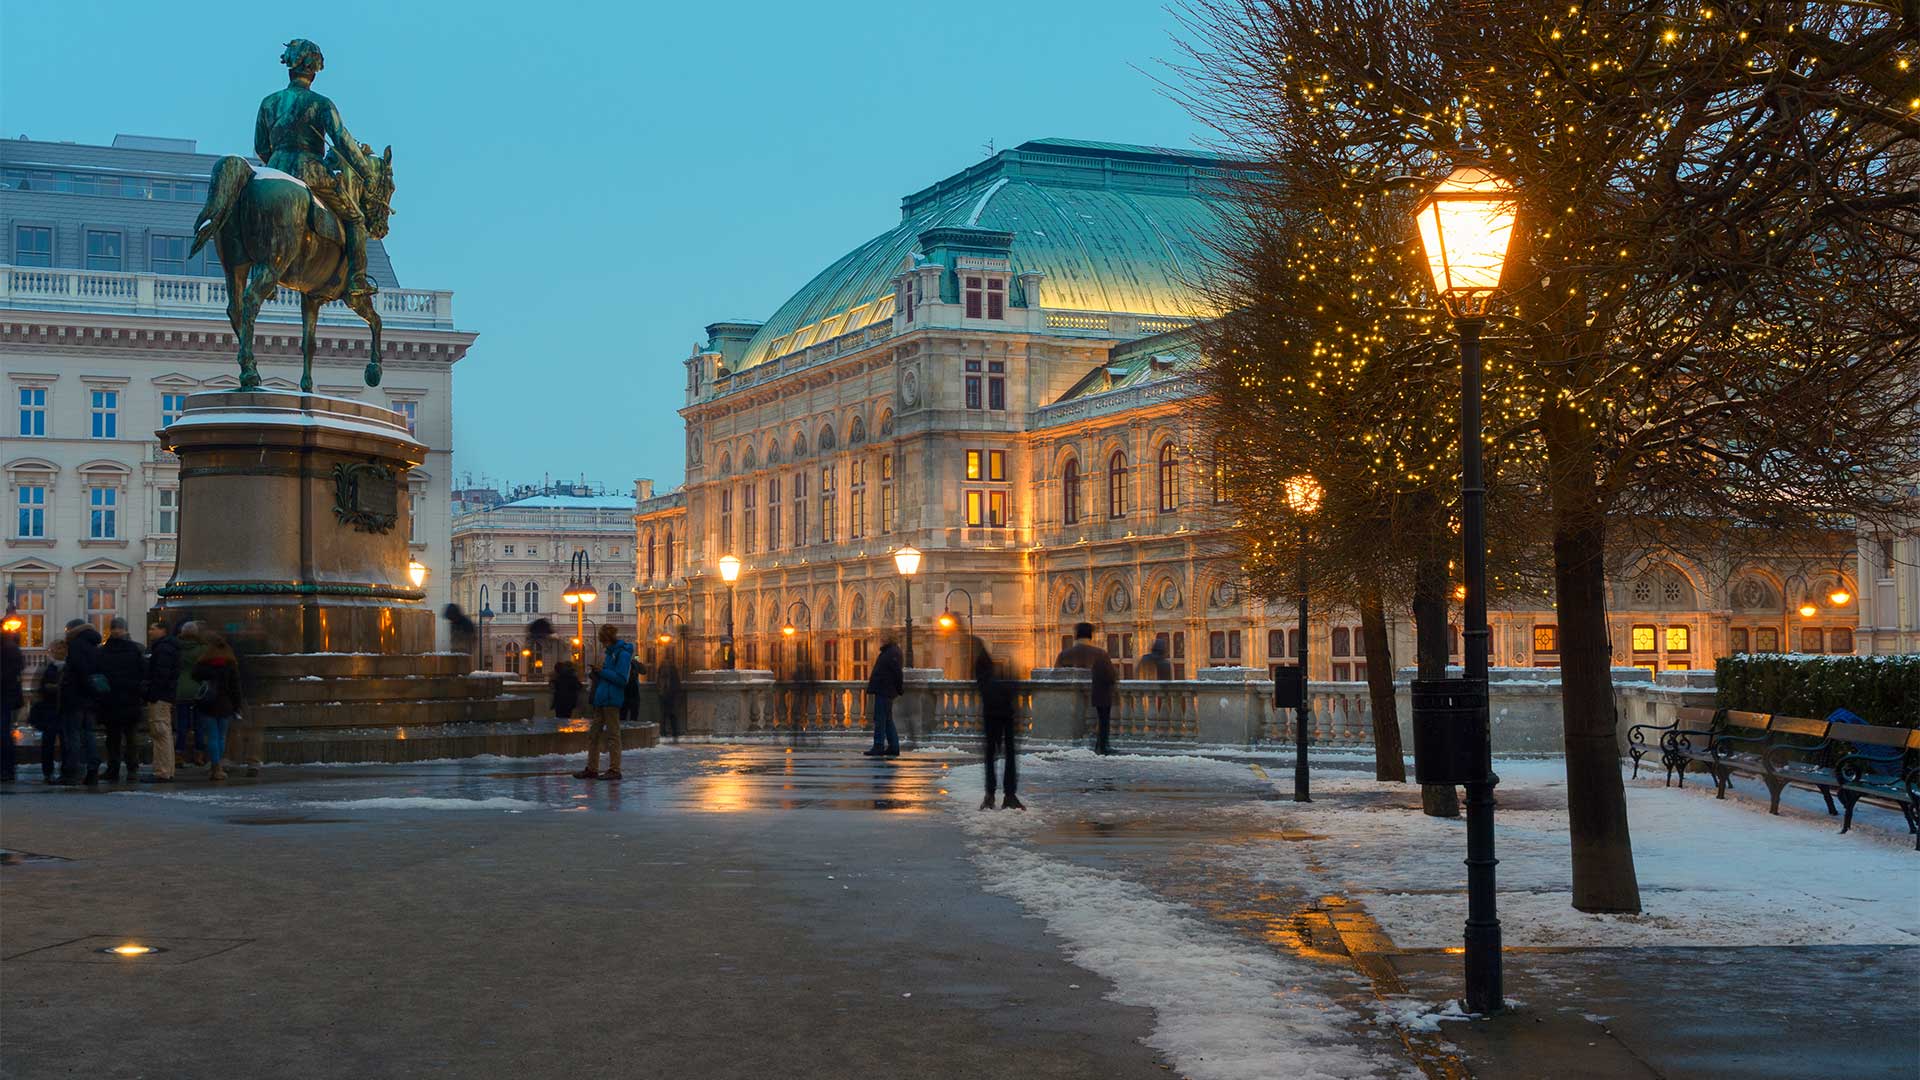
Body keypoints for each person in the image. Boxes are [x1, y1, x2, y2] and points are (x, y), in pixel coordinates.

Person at [254, 39, 380, 299]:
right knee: (355, 218)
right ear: (314, 70)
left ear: (290, 68)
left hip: (276, 169)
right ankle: (357, 279)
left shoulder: (268, 102)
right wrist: (366, 173)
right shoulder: (321, 104)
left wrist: (278, 161)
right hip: (310, 170)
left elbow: (261, 147)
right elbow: (342, 140)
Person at [575, 624, 635, 781]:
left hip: (612, 699)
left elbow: (622, 679)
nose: (603, 645)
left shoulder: (622, 654)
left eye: (604, 641)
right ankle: (592, 768)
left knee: (613, 735)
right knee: (593, 735)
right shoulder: (610, 654)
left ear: (609, 640)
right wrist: (597, 673)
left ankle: (615, 769)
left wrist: (602, 672)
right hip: (602, 699)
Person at [96, 617, 147, 783]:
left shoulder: (103, 650)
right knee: (131, 736)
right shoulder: (136, 649)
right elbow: (143, 673)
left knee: (113, 737)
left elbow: (99, 673)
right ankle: (132, 769)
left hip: (111, 699)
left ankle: (113, 768)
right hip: (131, 697)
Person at [1056, 622, 1118, 755]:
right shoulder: (1100, 654)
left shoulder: (1064, 655)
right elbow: (1111, 676)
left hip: (1069, 706)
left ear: (1076, 636)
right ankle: (1102, 745)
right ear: (1091, 636)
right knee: (1103, 719)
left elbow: (1055, 678)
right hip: (1098, 698)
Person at [975, 638, 1023, 811]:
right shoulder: (985, 659)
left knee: (991, 755)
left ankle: (991, 795)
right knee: (1008, 754)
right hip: (1005, 711)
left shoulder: (978, 660)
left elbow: (983, 685)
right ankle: (1008, 795)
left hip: (992, 712)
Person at [191, 631, 243, 781]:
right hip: (225, 704)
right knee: (221, 737)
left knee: (212, 736)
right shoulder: (230, 664)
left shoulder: (203, 664)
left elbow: (194, 675)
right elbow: (236, 687)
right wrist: (237, 705)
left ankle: (215, 767)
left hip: (207, 704)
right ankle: (218, 766)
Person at [59, 619, 104, 785]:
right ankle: (92, 768)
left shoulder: (76, 645)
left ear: (72, 630)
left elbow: (78, 670)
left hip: (76, 696)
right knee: (89, 733)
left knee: (74, 734)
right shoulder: (93, 645)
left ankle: (73, 771)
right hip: (90, 697)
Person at [143, 623, 182, 783]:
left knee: (160, 732)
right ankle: (166, 770)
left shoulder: (163, 649)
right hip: (166, 695)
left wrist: (151, 693)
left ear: (163, 630)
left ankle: (162, 771)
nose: (149, 631)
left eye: (153, 628)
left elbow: (161, 675)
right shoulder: (169, 647)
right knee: (164, 732)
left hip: (159, 696)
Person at [29, 640, 65, 783]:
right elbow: (38, 687)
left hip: (55, 707)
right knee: (55, 741)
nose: (60, 651)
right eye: (57, 648)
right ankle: (53, 770)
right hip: (53, 708)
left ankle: (51, 771)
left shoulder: (47, 667)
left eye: (62, 648)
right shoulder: (49, 667)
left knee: (55, 741)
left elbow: (37, 686)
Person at [863, 639, 904, 758]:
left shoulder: (891, 653)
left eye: (883, 638)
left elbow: (897, 673)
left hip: (884, 690)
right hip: (884, 689)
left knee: (880, 719)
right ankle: (893, 747)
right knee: (887, 720)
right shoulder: (890, 652)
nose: (880, 640)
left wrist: (899, 688)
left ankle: (878, 745)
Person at [174, 622, 207, 767]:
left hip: (180, 690)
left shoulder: (176, 648)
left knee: (182, 725)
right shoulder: (203, 649)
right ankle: (199, 755)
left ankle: (179, 755)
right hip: (198, 690)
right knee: (199, 725)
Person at [1, 612, 22, 783]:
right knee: (4, 733)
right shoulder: (11, 646)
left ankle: (6, 770)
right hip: (7, 696)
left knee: (3, 733)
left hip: (4, 695)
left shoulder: (6, 647)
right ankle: (7, 769)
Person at [655, 655, 683, 742]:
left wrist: (660, 691)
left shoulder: (661, 669)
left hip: (664, 694)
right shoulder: (673, 669)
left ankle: (663, 732)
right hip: (671, 695)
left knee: (663, 715)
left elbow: (658, 682)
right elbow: (677, 683)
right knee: (672, 715)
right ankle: (674, 732)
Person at [620, 652, 646, 728]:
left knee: (626, 717)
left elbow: (644, 671)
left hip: (630, 694)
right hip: (628, 694)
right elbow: (643, 671)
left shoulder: (632, 664)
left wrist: (636, 663)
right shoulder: (624, 664)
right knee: (626, 716)